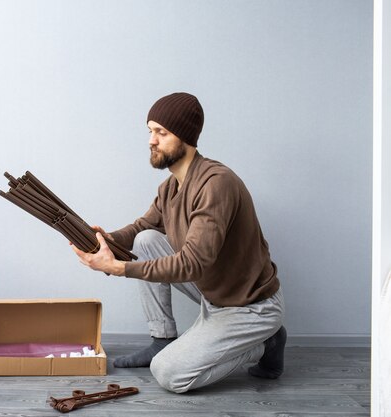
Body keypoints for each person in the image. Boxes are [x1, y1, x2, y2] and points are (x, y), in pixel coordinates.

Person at [71, 92, 286, 393]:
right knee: (146, 240)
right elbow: (142, 227)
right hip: (214, 294)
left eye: (162, 132)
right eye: (150, 131)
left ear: (185, 137)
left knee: (169, 374)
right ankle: (162, 339)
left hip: (250, 306)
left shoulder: (216, 183)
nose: (151, 140)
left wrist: (120, 268)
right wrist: (106, 239)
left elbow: (194, 262)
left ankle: (265, 343)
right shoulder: (170, 186)